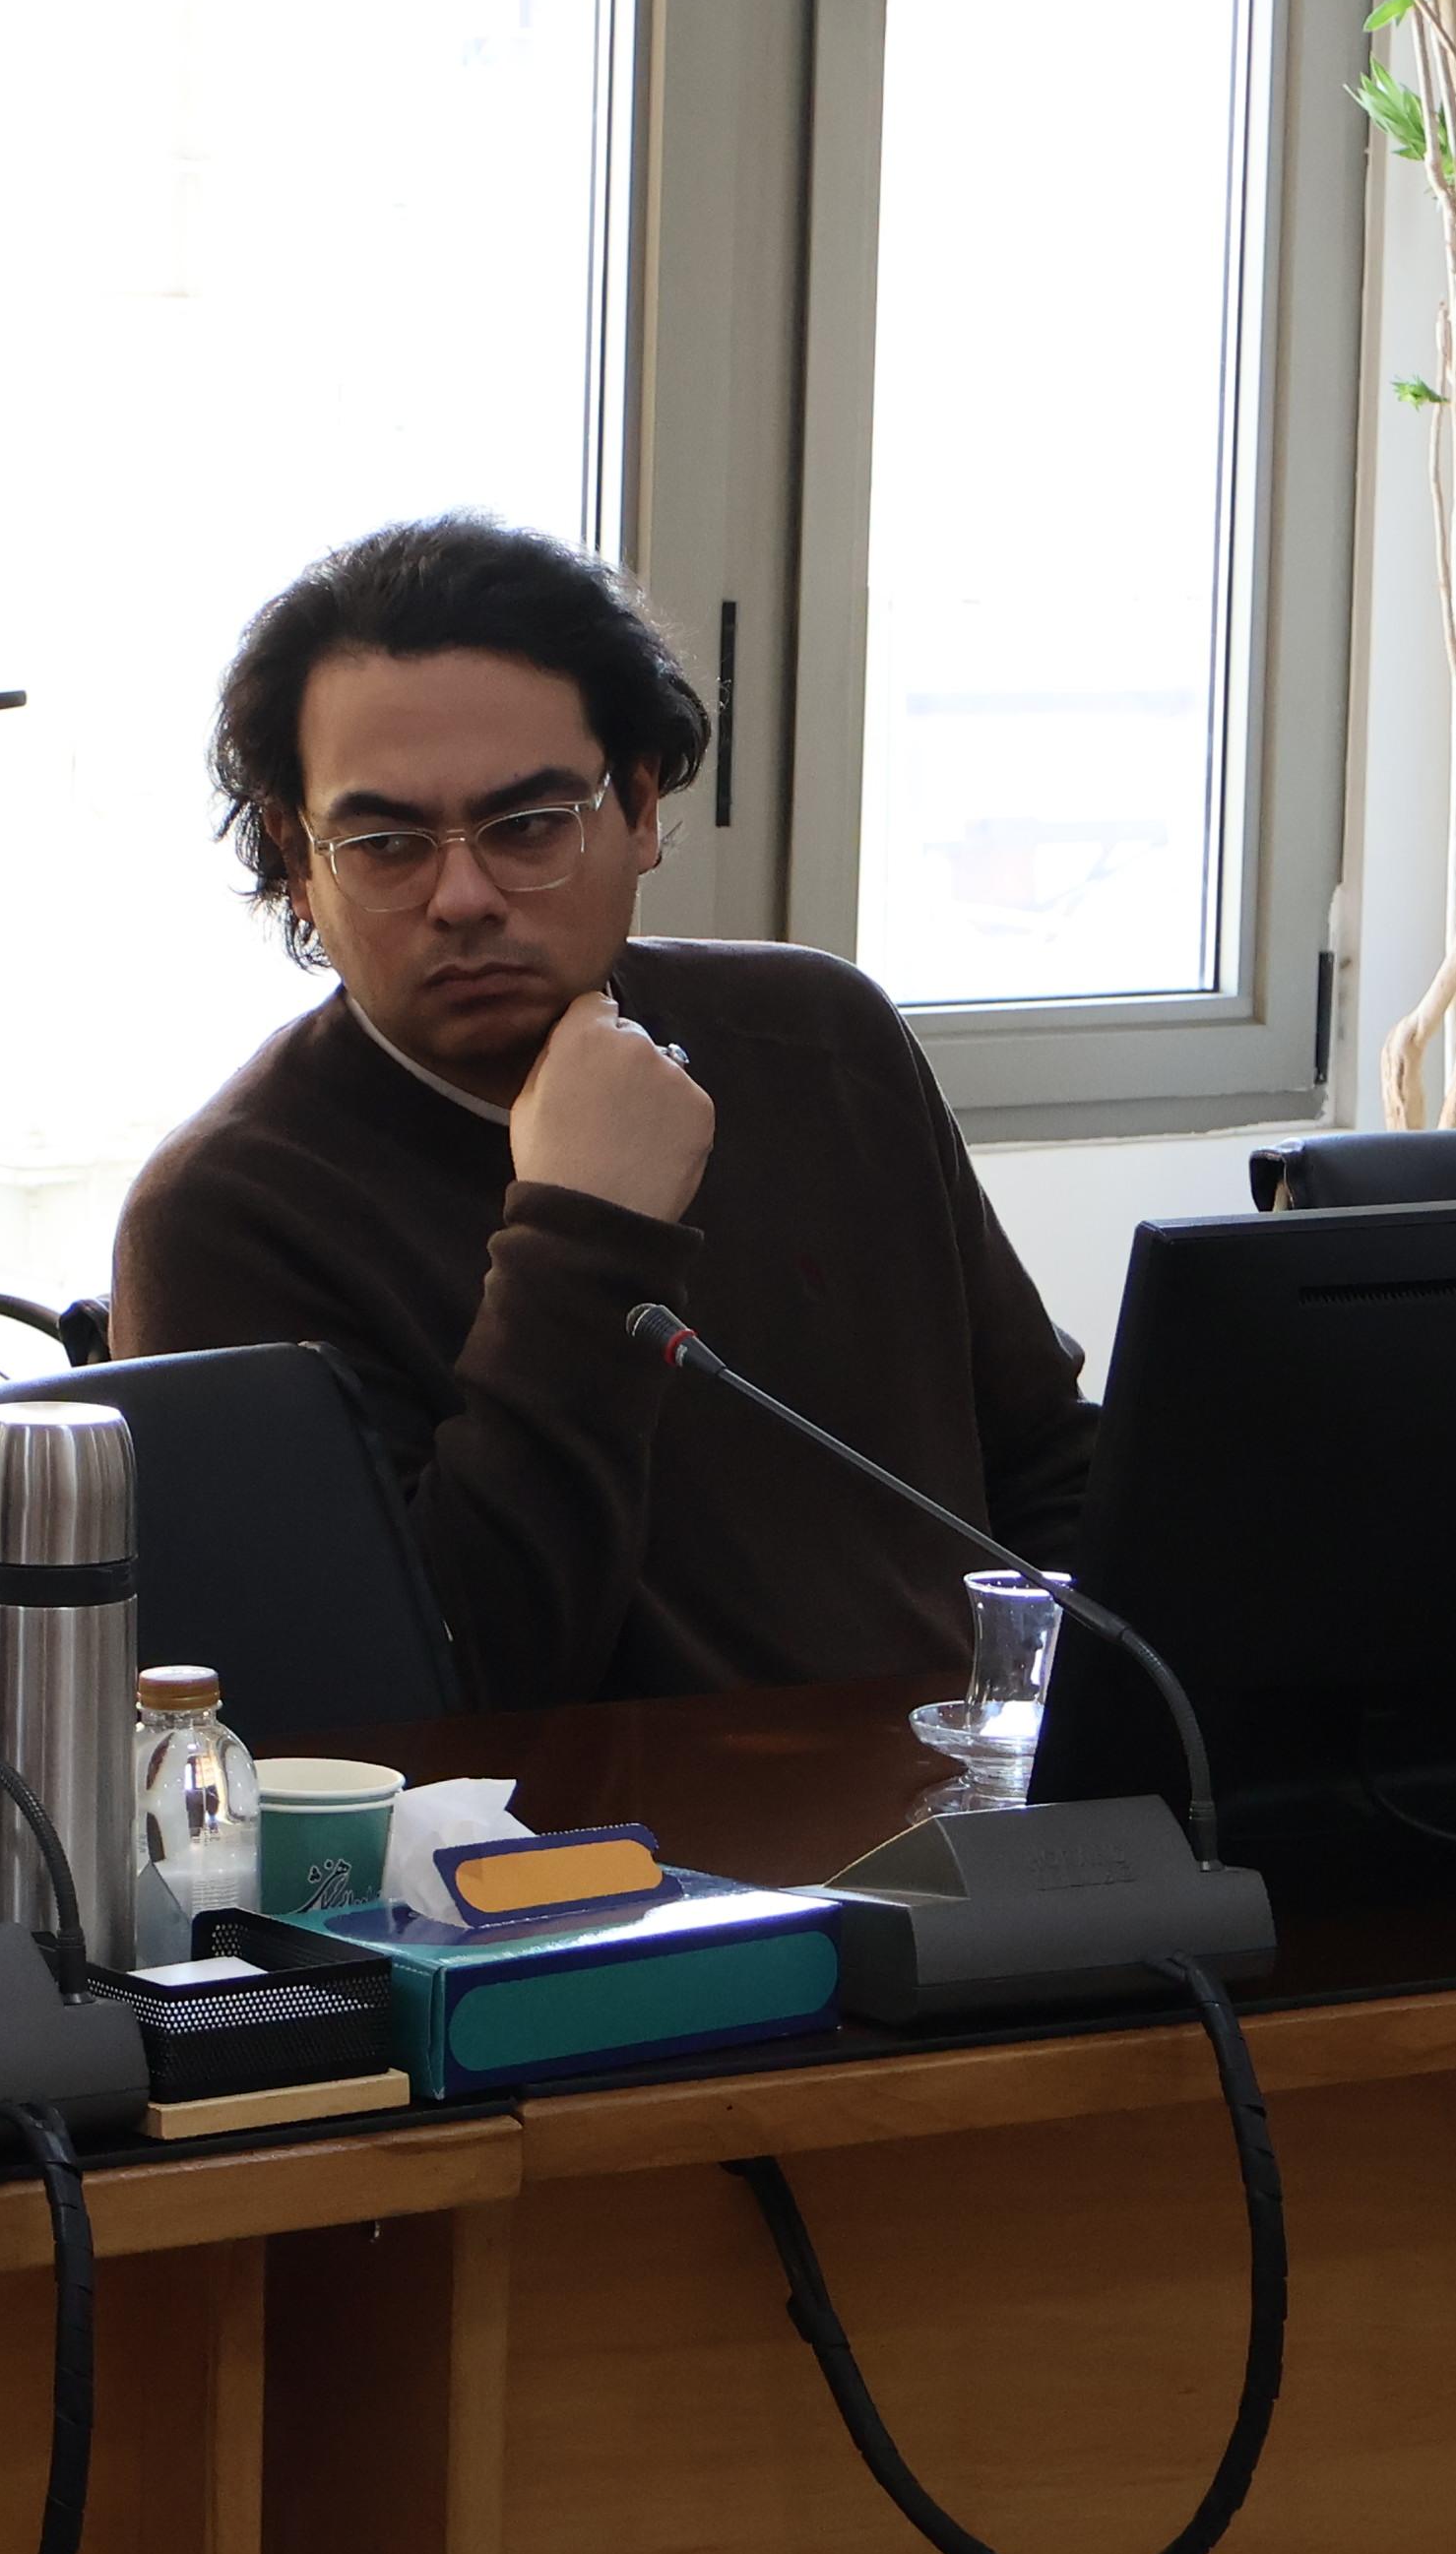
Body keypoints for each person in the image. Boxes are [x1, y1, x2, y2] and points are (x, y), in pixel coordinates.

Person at [111, 514, 1097, 1717]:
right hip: (583, 1839)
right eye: (387, 843)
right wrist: (581, 1236)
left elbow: (1053, 1470)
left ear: (635, 808)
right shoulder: (227, 1215)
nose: (462, 896)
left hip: (971, 1796)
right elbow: (425, 1697)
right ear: (297, 861)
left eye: (527, 827)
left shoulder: (822, 1039)